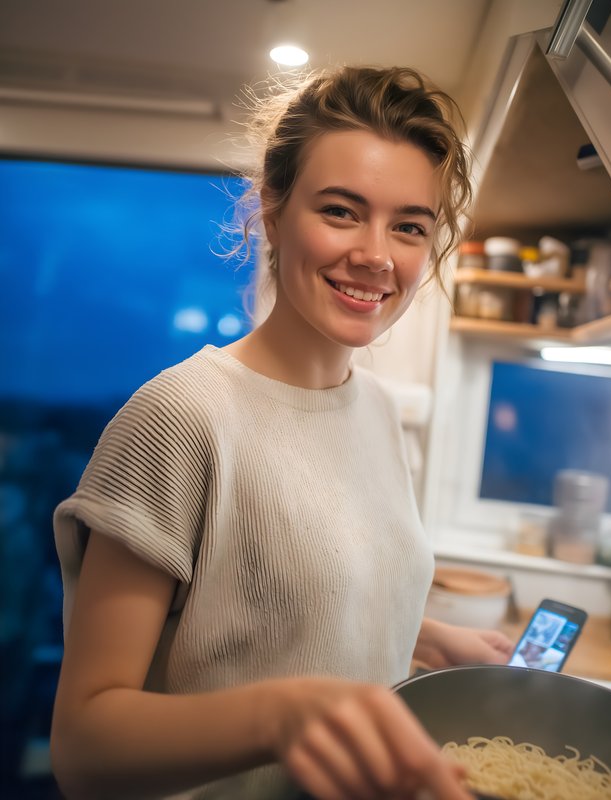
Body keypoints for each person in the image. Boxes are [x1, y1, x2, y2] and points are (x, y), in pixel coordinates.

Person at [51, 65, 513, 800]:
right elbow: (82, 745)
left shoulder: (377, 411)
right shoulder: (179, 418)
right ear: (272, 209)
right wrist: (284, 716)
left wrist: (432, 638)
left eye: (408, 226)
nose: (376, 254)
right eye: (341, 211)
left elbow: (288, 604)